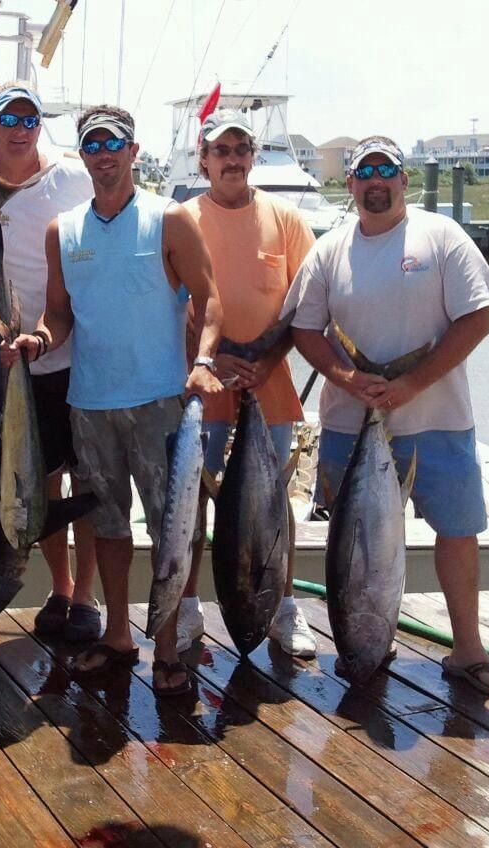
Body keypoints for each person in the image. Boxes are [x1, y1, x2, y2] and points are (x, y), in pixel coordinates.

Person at [4, 105, 225, 697]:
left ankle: (172, 642)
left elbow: (209, 301)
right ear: (83, 155)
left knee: (174, 528)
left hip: (160, 402)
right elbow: (59, 313)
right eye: (92, 143)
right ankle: (120, 636)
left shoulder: (169, 218)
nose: (104, 153)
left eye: (115, 142)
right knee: (106, 527)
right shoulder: (63, 230)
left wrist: (202, 363)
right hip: (89, 403)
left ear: (133, 150)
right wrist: (40, 339)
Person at [286, 135, 489, 698]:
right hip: (349, 423)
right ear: (351, 183)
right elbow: (302, 329)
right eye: (364, 172)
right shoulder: (330, 249)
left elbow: (477, 318)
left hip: (438, 421)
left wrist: (412, 382)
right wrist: (347, 379)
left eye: (386, 169)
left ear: (404, 179)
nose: (375, 181)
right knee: (351, 541)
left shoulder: (442, 237)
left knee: (457, 533)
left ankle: (468, 650)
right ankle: (367, 639)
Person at [178, 109, 318, 658]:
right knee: (194, 498)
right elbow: (173, 301)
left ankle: (285, 608)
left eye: (241, 150)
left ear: (252, 158)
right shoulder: (183, 217)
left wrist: (264, 357)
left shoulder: (284, 219)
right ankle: (187, 608)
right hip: (203, 381)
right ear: (204, 159)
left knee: (274, 497)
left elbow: (306, 303)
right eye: (222, 151)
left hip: (269, 379)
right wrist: (210, 359)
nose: (232, 160)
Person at [0, 81, 101, 642]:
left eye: (30, 120)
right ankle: (59, 586)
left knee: (88, 477)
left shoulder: (73, 174)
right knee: (41, 483)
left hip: (76, 353)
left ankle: (87, 596)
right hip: (11, 361)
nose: (20, 129)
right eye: (9, 119)